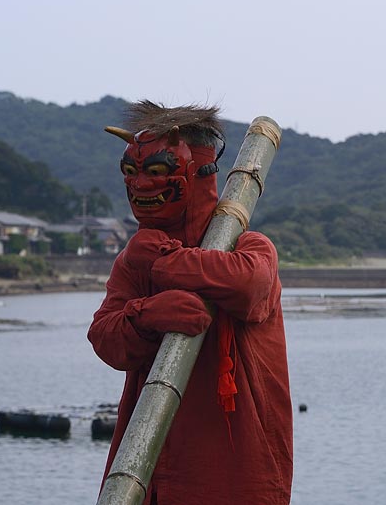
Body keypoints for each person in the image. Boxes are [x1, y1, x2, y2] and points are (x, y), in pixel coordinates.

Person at [88, 101, 292, 505]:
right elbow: (105, 336)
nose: (141, 184)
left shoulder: (250, 248)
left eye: (156, 171)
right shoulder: (135, 259)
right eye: (131, 171)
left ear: (197, 171)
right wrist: (147, 315)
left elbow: (249, 284)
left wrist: (166, 261)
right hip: (147, 469)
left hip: (236, 470)